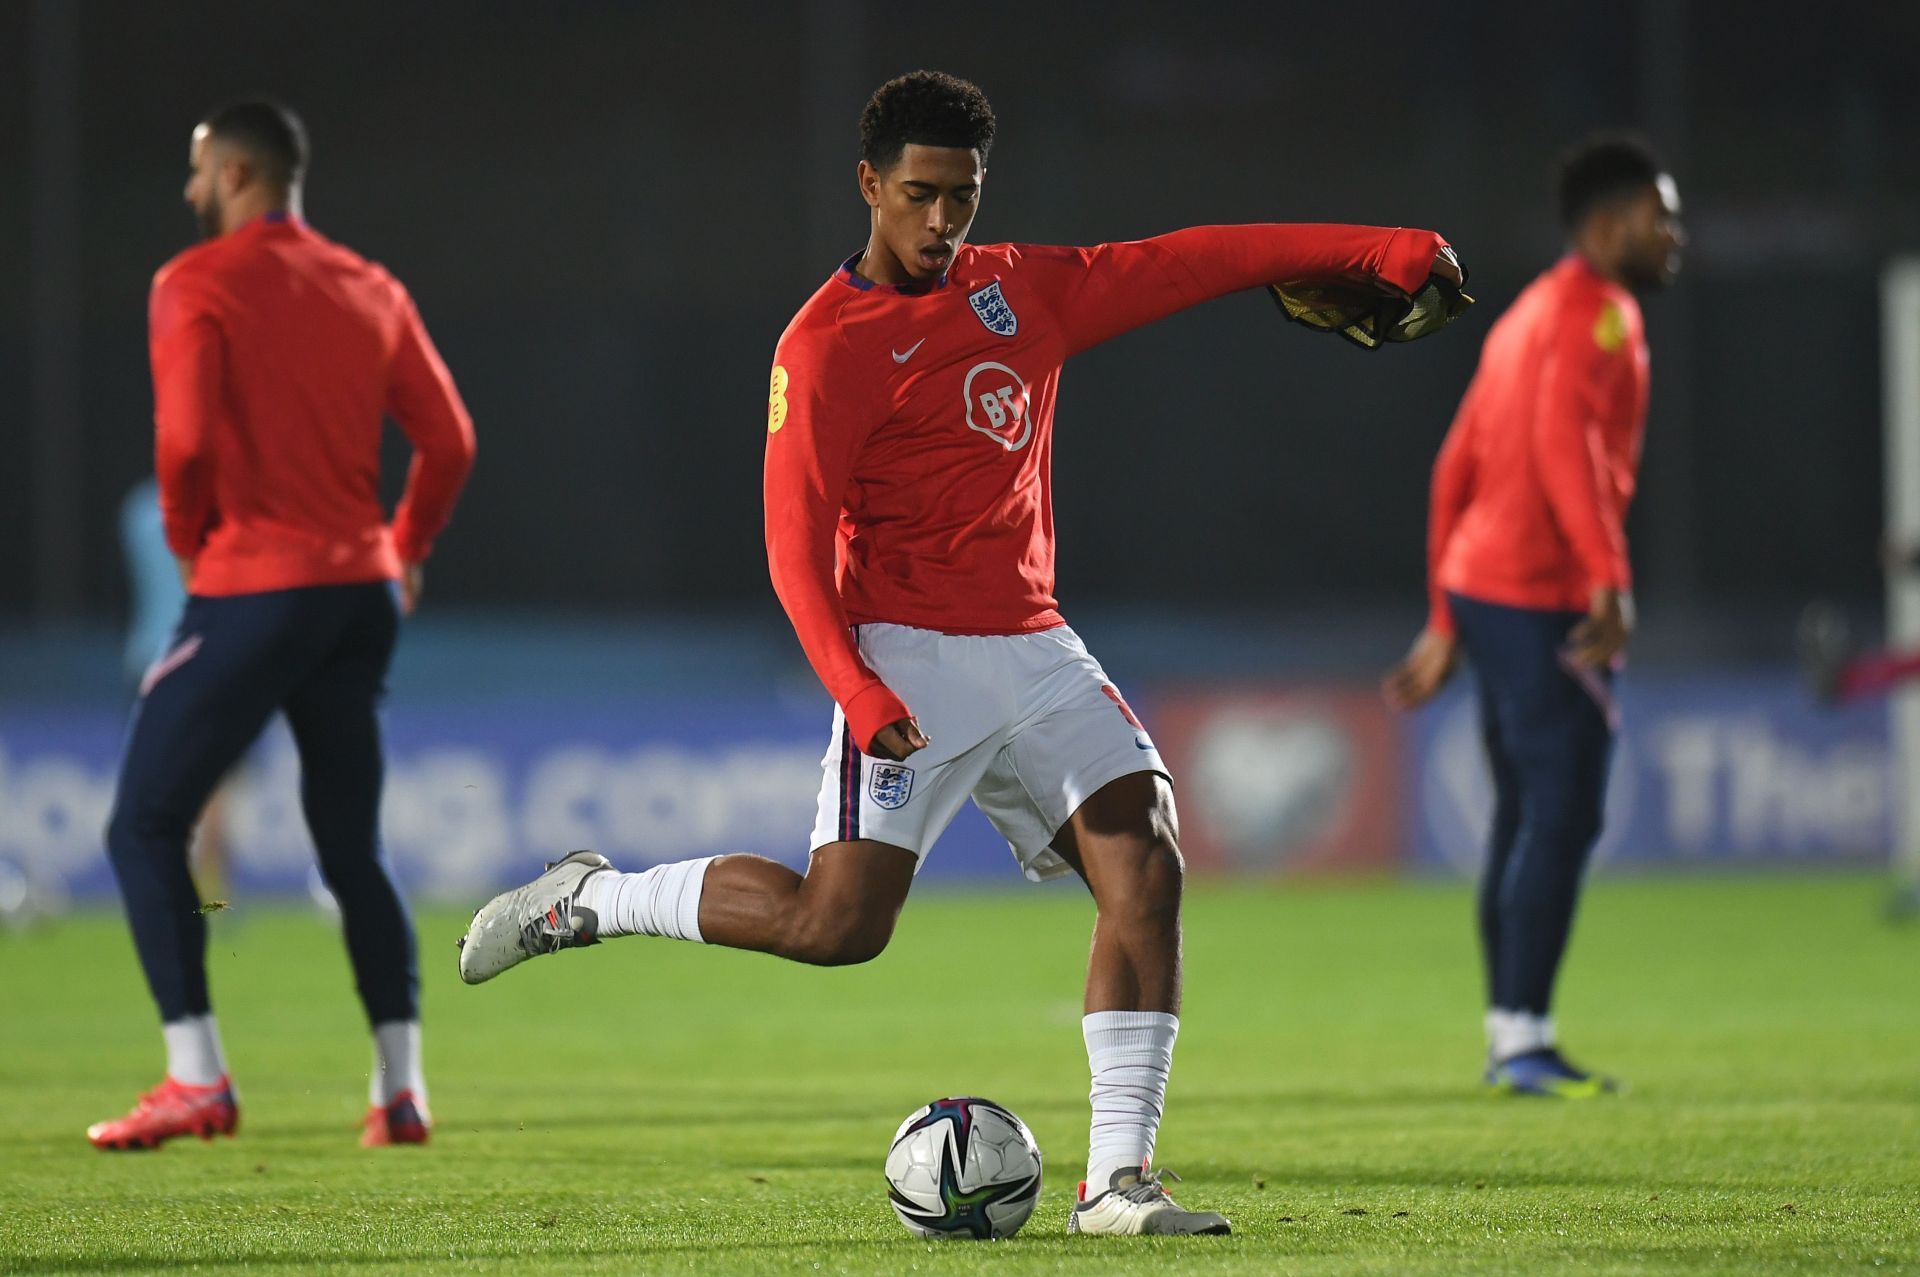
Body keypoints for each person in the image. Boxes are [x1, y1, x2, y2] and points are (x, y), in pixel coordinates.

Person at [461, 70, 1462, 1234]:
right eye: (923, 195)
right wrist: (857, 683)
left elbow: (1190, 256)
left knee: (1146, 863)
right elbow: (791, 549)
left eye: (964, 198)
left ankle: (1116, 1181)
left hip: (1035, 643)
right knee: (839, 927)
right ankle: (597, 897)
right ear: (869, 185)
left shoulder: (1020, 293)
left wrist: (1379, 246)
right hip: (906, 653)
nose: (943, 222)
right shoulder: (823, 348)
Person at [89, 100, 476, 1150]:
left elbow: (185, 439)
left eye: (197, 170)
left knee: (140, 823)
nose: (188, 190)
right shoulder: (369, 284)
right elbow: (449, 438)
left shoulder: (195, 282)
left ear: (236, 172)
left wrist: (185, 537)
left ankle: (196, 1077)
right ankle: (401, 1090)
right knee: (351, 845)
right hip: (359, 595)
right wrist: (408, 546)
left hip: (256, 584)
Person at [1382, 134, 1684, 1097]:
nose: (1674, 234)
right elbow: (1567, 446)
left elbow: (1451, 462)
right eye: (1659, 215)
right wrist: (1609, 576)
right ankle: (1520, 1038)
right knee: (1564, 810)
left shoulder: (1524, 317)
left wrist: (1442, 611)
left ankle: (1514, 1027)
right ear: (1606, 227)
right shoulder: (1599, 315)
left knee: (1526, 813)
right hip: (1540, 595)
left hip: (1486, 586)